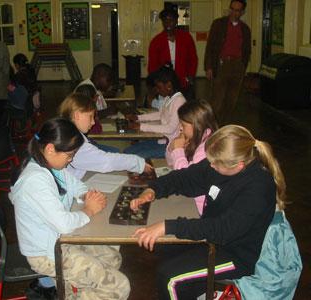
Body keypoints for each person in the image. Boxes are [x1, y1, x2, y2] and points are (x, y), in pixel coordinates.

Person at [130, 124, 287, 300]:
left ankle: (186, 284)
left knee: (169, 277)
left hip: (237, 253)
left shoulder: (258, 186)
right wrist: (153, 190)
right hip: (213, 239)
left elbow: (223, 230)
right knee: (158, 243)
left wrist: (169, 226)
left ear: (239, 166)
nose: (210, 166)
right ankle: (193, 288)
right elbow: (186, 177)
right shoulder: (221, 164)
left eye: (215, 164)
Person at [9, 118, 130, 300]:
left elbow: (76, 185)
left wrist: (85, 196)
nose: (71, 159)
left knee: (112, 257)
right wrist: (89, 210)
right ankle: (72, 293)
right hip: (47, 254)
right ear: (50, 148)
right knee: (119, 287)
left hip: (60, 240)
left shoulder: (51, 165)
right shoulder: (34, 180)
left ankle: (76, 288)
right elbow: (64, 224)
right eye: (69, 155)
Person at [58, 93, 152, 180]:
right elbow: (106, 161)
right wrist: (137, 162)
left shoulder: (65, 131)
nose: (93, 122)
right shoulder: (71, 141)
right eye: (90, 116)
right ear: (77, 115)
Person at [165, 99, 218, 215]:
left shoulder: (206, 148)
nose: (180, 128)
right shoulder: (197, 137)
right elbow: (169, 161)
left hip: (199, 209)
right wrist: (173, 147)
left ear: (196, 125)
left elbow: (186, 179)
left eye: (183, 125)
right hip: (191, 199)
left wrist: (179, 150)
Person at [123, 62, 186, 158]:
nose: (157, 90)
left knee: (139, 156)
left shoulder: (179, 101)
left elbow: (170, 129)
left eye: (159, 87)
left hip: (171, 145)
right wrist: (137, 117)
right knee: (127, 151)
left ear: (169, 85)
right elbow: (160, 114)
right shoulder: (169, 98)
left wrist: (142, 126)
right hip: (163, 140)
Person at [204, 0, 251, 125]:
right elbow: (210, 46)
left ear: (242, 12)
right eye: (232, 9)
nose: (234, 12)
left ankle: (224, 127)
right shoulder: (219, 24)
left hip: (237, 67)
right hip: (221, 65)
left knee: (232, 100)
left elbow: (247, 50)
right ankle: (211, 127)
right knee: (217, 101)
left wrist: (243, 67)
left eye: (237, 10)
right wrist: (208, 67)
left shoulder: (245, 29)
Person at [148, 8, 198, 101]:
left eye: (171, 20)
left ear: (176, 21)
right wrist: (155, 84)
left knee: (186, 107)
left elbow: (193, 58)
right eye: (165, 20)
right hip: (165, 84)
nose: (168, 23)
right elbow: (152, 66)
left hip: (183, 81)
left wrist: (191, 74)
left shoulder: (186, 38)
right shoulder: (156, 41)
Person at [75, 84, 120, 153]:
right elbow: (97, 129)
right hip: (84, 146)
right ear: (94, 97)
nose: (93, 122)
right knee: (116, 151)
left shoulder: (75, 109)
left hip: (84, 144)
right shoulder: (88, 110)